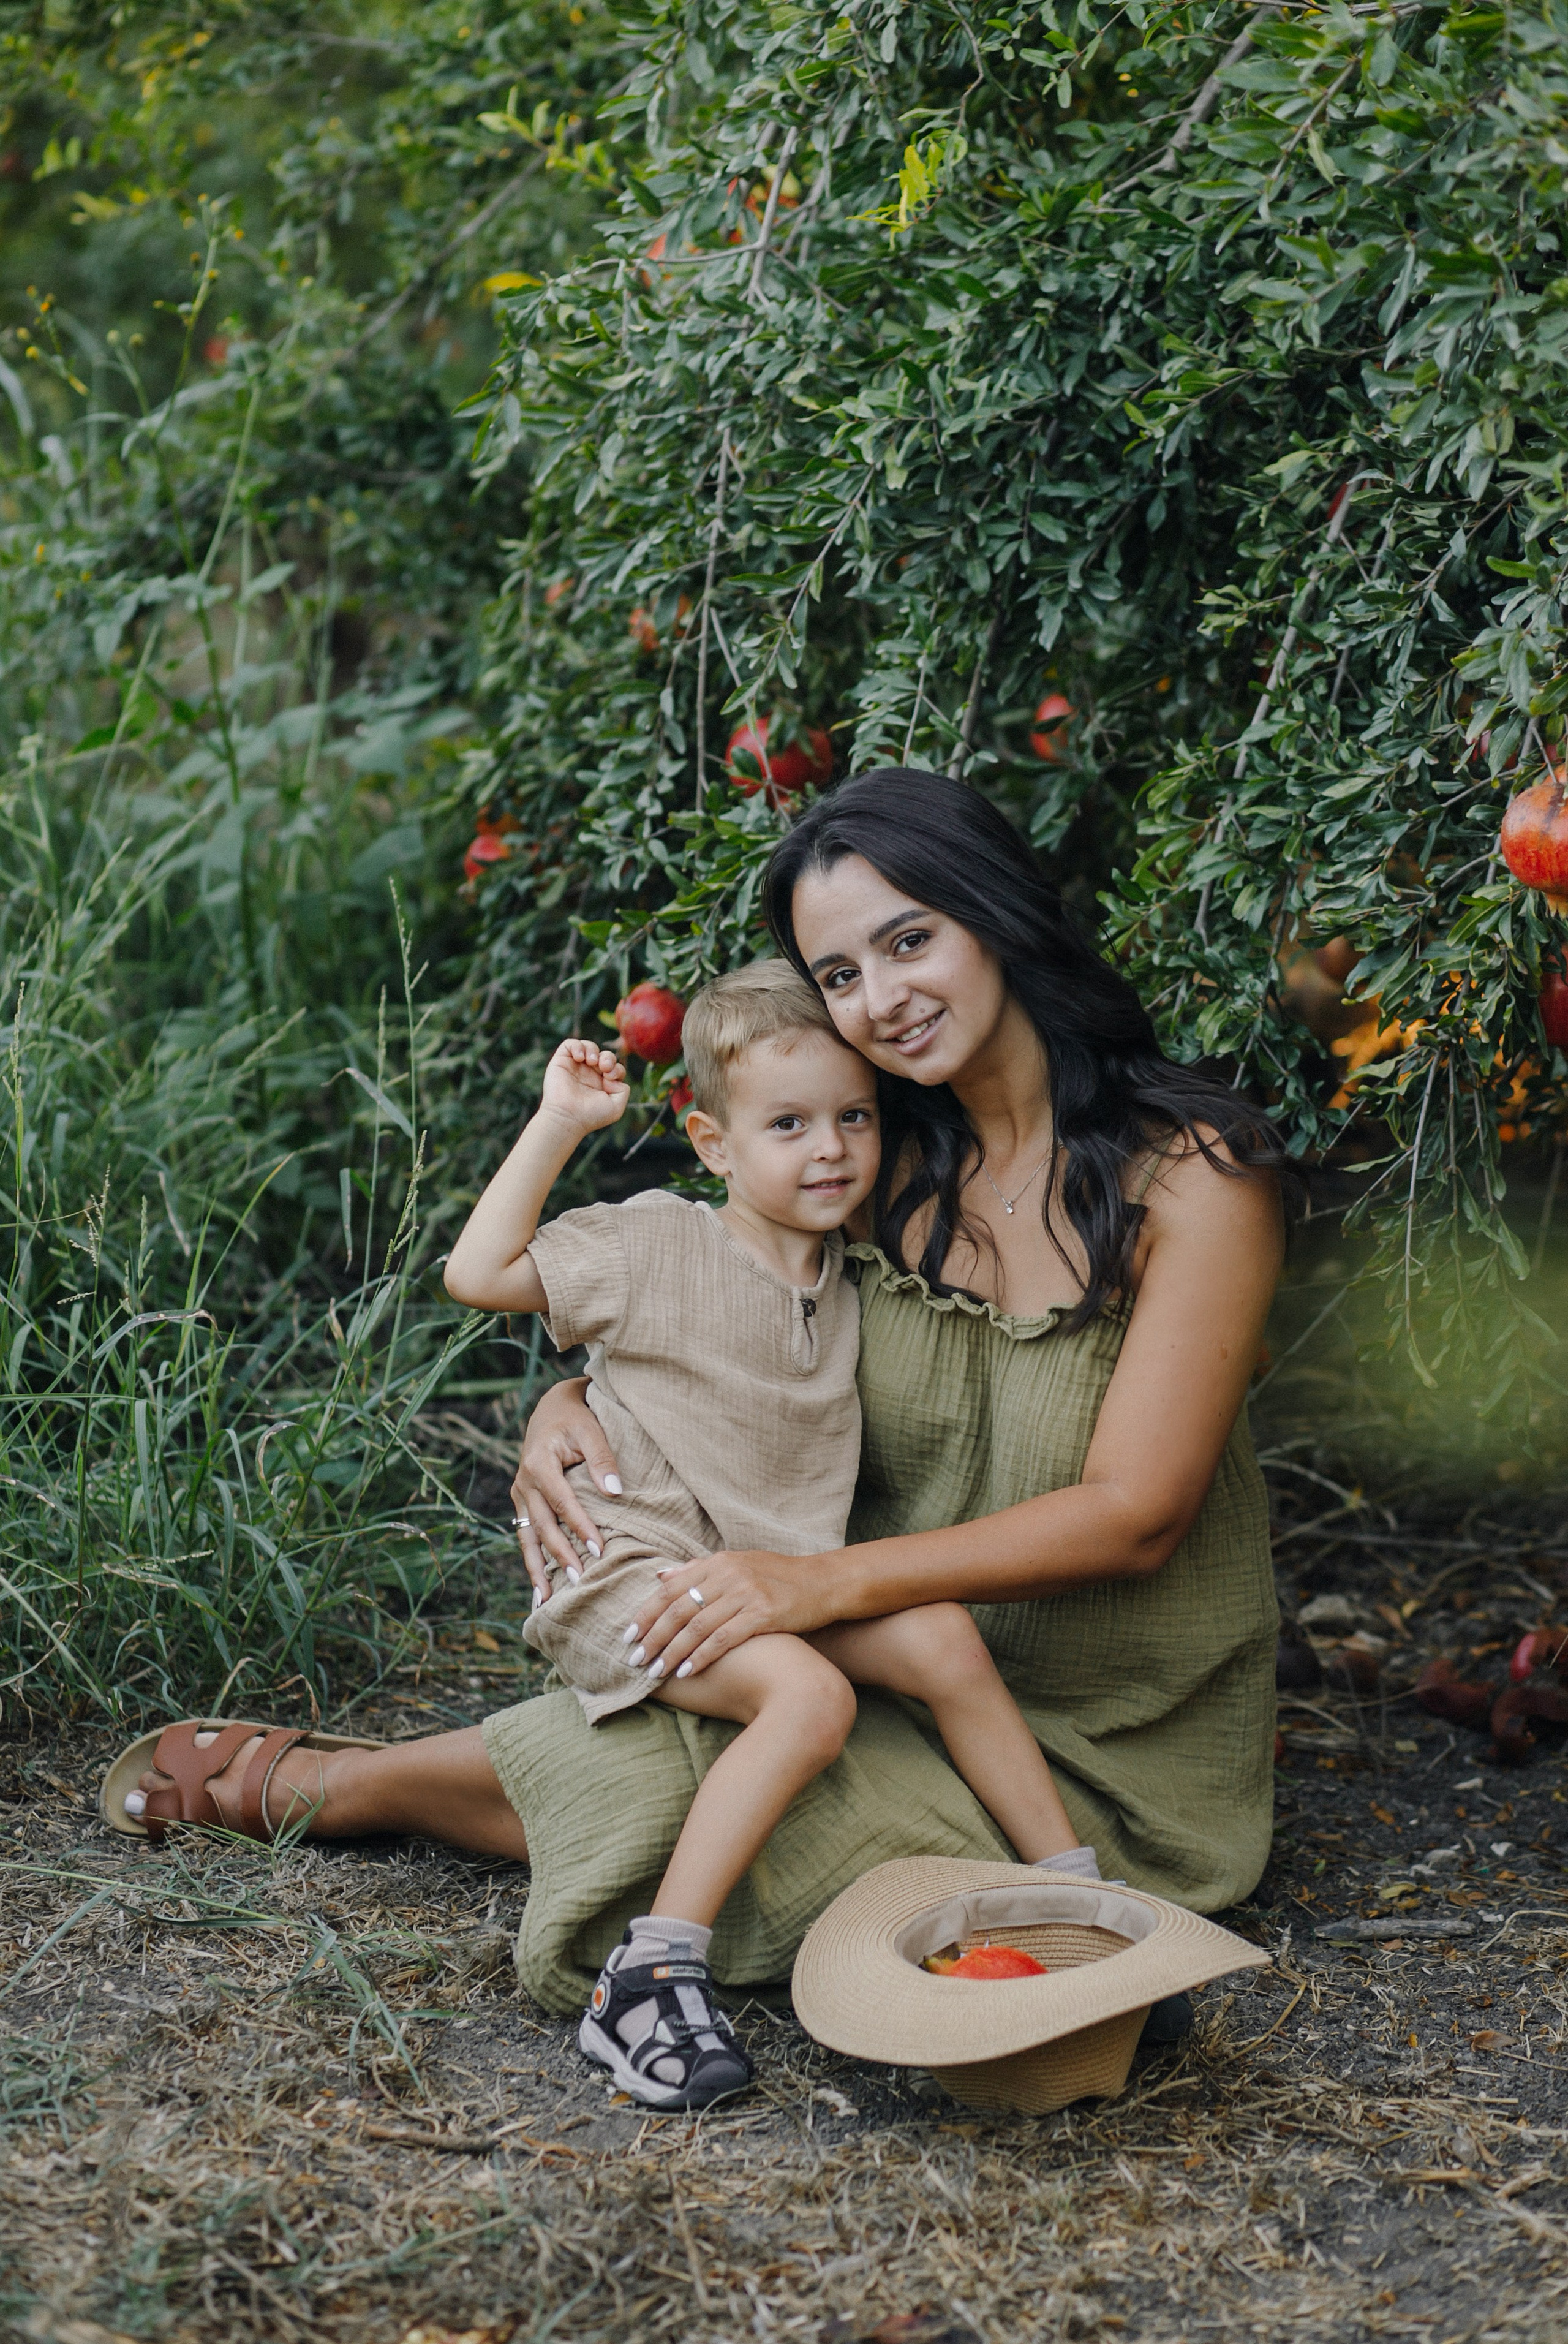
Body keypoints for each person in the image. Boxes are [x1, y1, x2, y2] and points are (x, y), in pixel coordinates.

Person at [115, 769, 1286, 2046]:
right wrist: (570, 1402)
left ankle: (349, 1784)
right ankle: (347, 1786)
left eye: (909, 940)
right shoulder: (873, 1163)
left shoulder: (1189, 1181)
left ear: (994, 914)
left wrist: (812, 1589)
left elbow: (1134, 1518)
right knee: (759, 1738)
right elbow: (711, 1322)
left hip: (1107, 1745)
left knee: (723, 1782)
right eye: (838, 974)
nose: (880, 999)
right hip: (892, 1658)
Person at [440, 961, 1086, 2108]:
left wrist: (570, 1395)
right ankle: (648, 1975)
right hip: (627, 1573)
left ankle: (1077, 1900)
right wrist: (560, 1123)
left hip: (761, 1579)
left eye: (854, 1117)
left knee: (940, 1635)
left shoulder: (848, 1265)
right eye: (787, 1123)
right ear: (711, 1144)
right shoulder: (656, 1243)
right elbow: (477, 1271)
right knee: (809, 1699)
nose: (829, 1147)